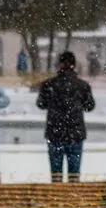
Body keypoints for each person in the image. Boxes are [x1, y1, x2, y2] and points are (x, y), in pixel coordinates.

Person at [37, 50, 96, 183]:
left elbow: (41, 104)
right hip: (75, 134)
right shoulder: (83, 85)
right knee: (74, 175)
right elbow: (90, 106)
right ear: (74, 65)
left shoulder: (48, 85)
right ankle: (72, 198)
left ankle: (58, 198)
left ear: (59, 65)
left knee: (56, 174)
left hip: (55, 133)